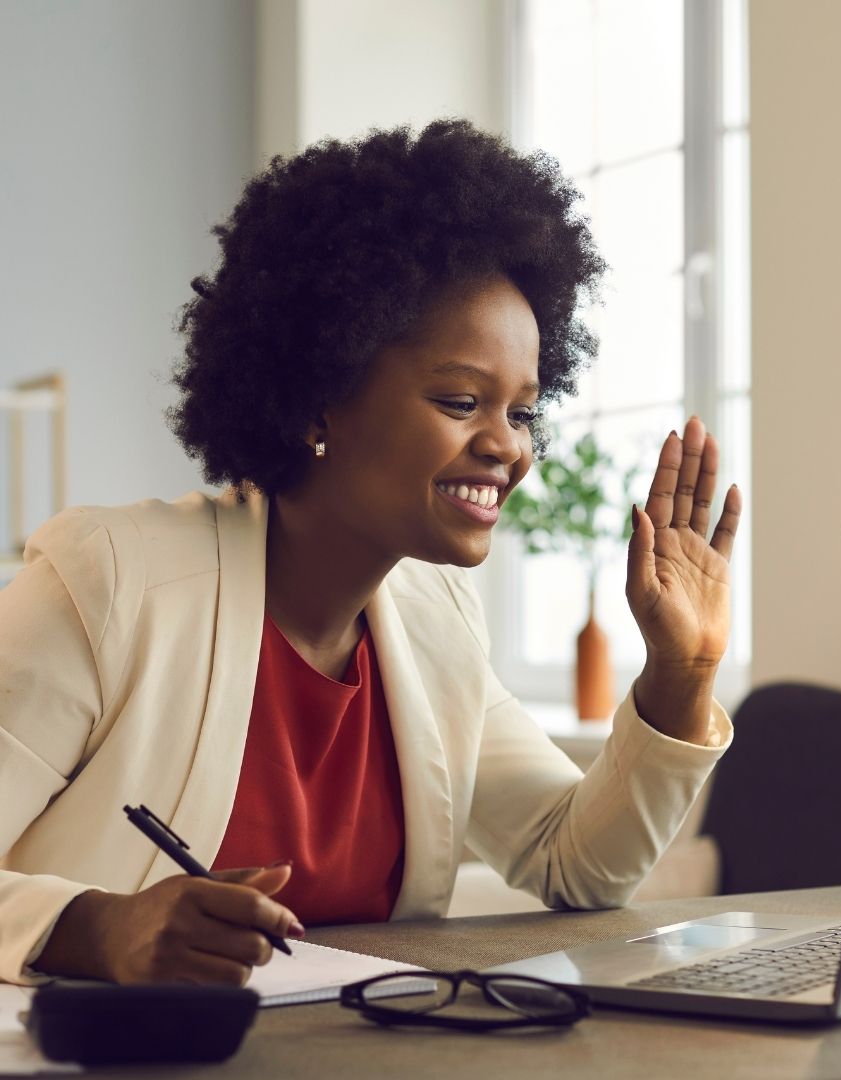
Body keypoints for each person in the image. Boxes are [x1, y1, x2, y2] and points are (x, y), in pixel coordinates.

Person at [0, 119, 741, 987]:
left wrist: (681, 674)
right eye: (462, 399)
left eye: (524, 411)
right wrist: (97, 930)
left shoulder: (435, 623)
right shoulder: (112, 585)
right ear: (318, 401)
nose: (507, 446)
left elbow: (574, 860)